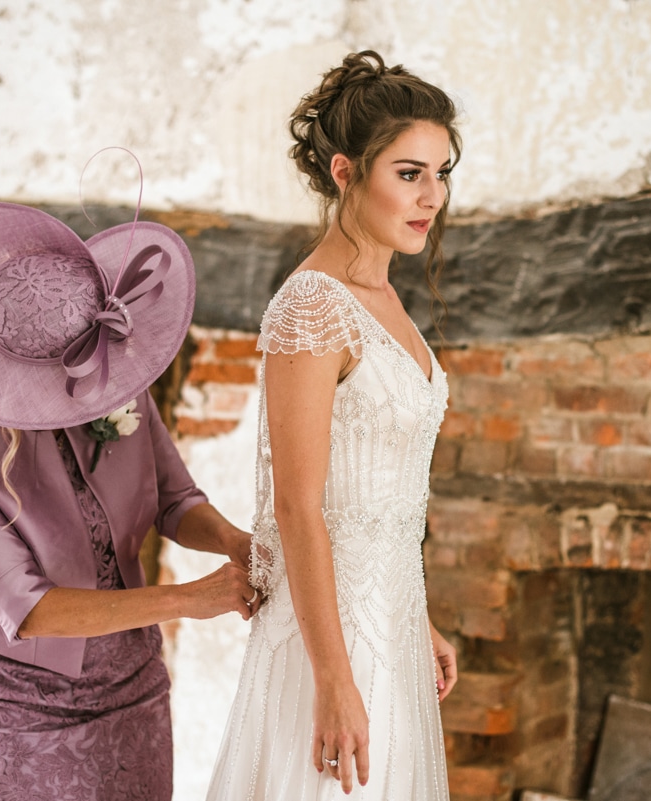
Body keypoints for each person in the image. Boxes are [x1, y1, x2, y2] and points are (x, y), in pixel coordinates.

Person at [0, 200, 261, 800]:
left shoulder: (111, 379)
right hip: (17, 693)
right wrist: (189, 600)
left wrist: (236, 542)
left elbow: (175, 498)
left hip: (131, 677)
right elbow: (26, 608)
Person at [205, 50, 461, 800]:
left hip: (387, 633)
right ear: (346, 172)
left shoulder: (383, 298)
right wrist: (332, 678)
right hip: (328, 650)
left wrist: (413, 620)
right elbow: (299, 506)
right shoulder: (312, 306)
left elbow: (377, 498)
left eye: (440, 173)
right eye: (408, 173)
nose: (431, 196)